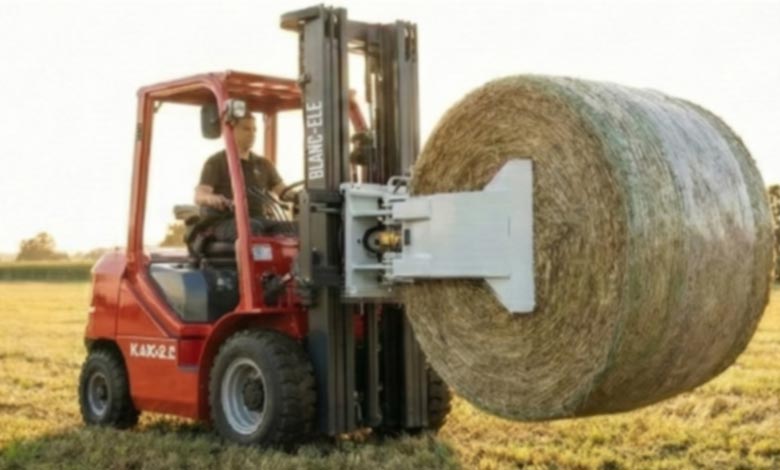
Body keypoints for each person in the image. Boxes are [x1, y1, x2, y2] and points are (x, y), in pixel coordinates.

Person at [194, 113, 291, 241]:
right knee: (251, 227)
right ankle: (246, 261)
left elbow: (283, 191)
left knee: (295, 228)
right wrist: (211, 198)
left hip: (258, 218)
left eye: (254, 129)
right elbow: (200, 195)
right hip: (226, 221)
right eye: (246, 129)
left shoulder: (263, 163)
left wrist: (300, 196)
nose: (252, 134)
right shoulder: (216, 161)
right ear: (232, 131)